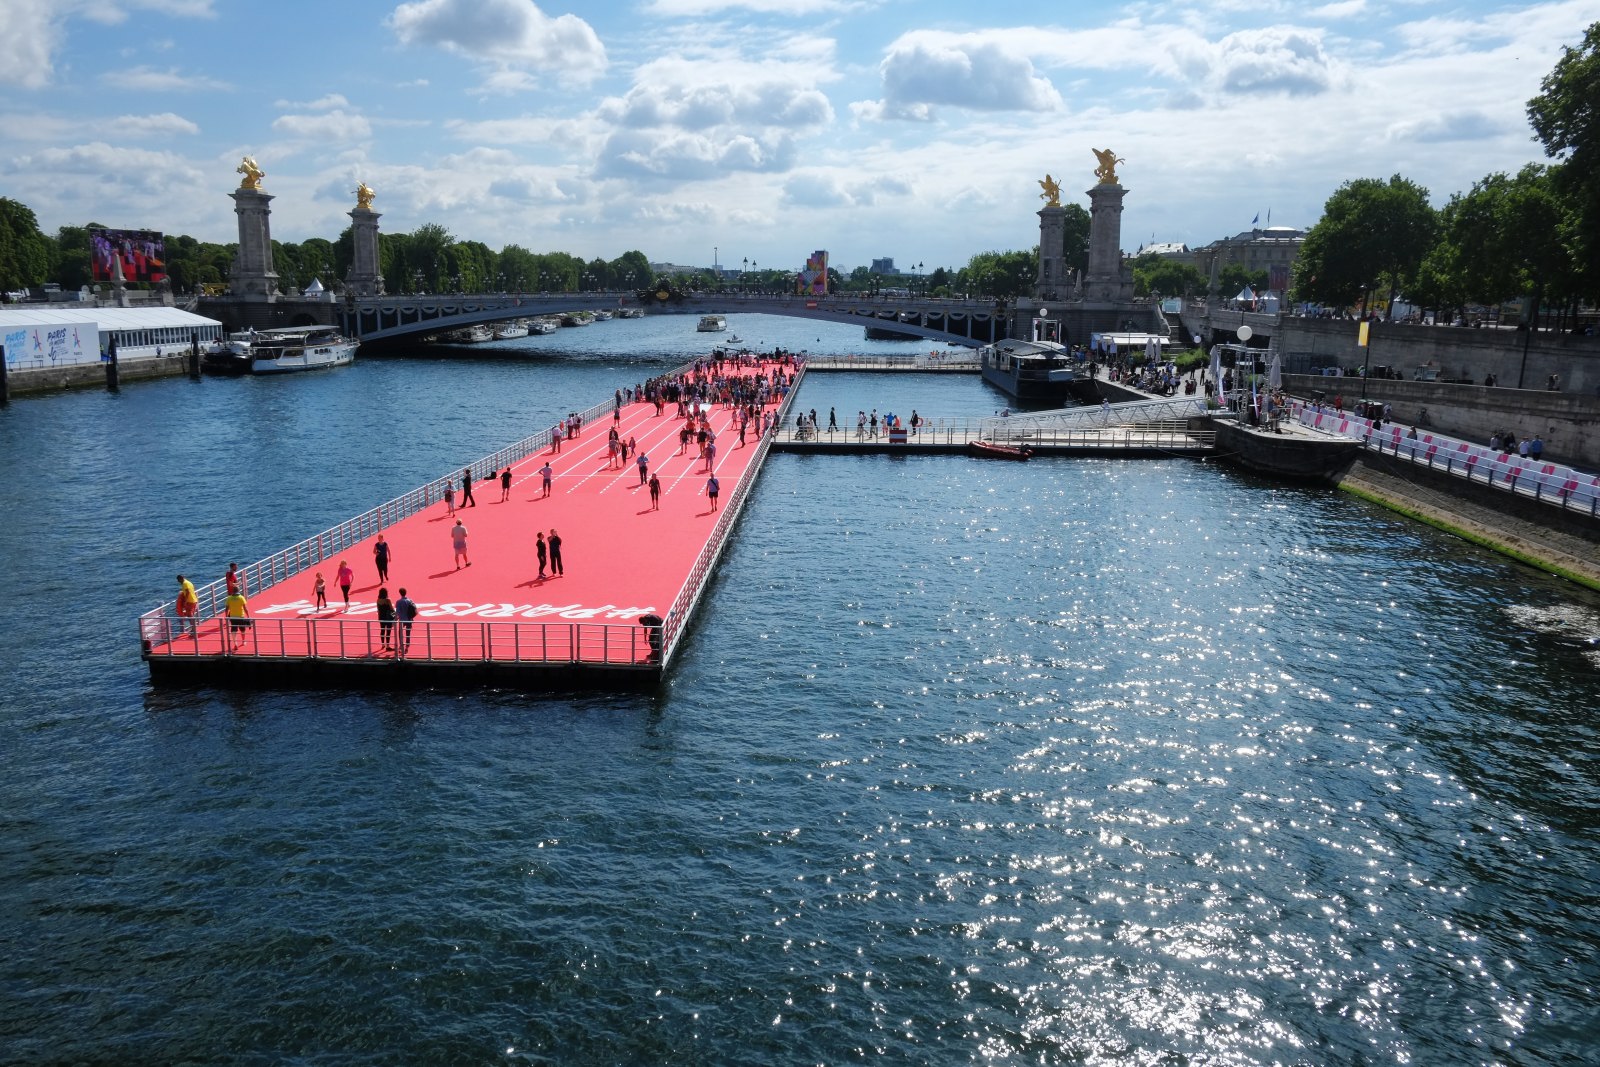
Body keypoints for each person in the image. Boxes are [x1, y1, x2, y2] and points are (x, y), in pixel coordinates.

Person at [394, 587, 417, 655]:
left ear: (400, 593)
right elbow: (414, 609)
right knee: (408, 633)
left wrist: (395, 619)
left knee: (400, 633)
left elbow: (397, 612)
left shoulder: (398, 602)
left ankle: (401, 646)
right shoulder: (410, 600)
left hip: (402, 620)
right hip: (409, 619)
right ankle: (407, 646)